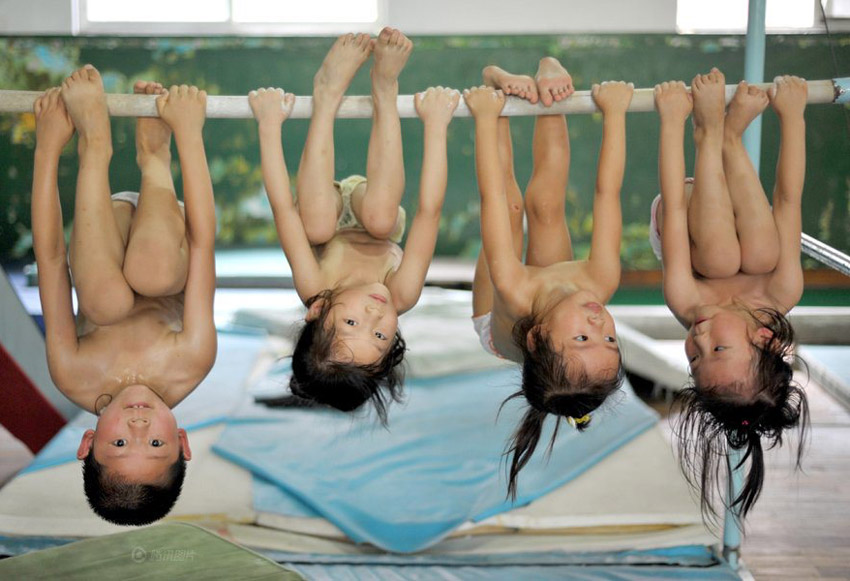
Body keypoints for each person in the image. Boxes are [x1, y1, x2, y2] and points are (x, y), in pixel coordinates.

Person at [31, 65, 217, 524]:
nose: (138, 427)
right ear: (184, 443)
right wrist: (189, 134)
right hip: (164, 231)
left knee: (104, 304)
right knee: (152, 275)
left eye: (119, 444)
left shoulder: (75, 374)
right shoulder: (191, 362)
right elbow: (201, 243)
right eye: (155, 444)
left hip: (105, 226)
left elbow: (52, 260)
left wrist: (48, 145)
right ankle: (155, 154)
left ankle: (94, 143)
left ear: (88, 442)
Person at [249, 29, 459, 423]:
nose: (374, 317)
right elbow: (429, 211)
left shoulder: (315, 288)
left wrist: (268, 126)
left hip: (323, 209)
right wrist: (436, 127)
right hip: (373, 209)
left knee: (313, 226)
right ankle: (385, 87)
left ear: (317, 312)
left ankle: (327, 94)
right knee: (380, 218)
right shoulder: (402, 294)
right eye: (380, 336)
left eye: (351, 323)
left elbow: (282, 209)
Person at [464, 59, 632, 498]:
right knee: (547, 205)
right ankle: (550, 91)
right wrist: (614, 115)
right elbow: (606, 192)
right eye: (611, 341)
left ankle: (495, 83)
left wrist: (487, 117)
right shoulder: (598, 283)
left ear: (537, 339)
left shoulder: (514, 291)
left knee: (513, 207)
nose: (600, 327)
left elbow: (491, 198)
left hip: (500, 324)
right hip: (554, 302)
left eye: (583, 340)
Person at [653, 68, 809, 520]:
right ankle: (728, 138)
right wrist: (793, 116)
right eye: (715, 349)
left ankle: (711, 133)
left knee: (720, 258)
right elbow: (788, 201)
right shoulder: (782, 290)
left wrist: (673, 123)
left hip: (681, 205)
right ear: (765, 340)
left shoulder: (686, 300)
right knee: (762, 251)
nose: (697, 340)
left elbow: (673, 204)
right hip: (733, 203)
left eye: (693, 360)